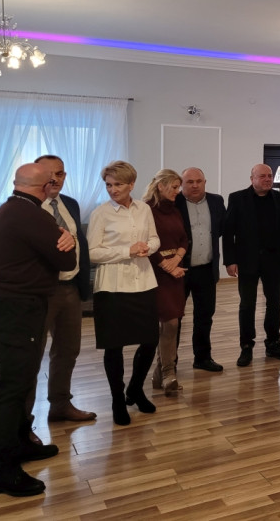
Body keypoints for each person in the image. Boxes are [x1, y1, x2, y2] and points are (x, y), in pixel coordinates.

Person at [0, 163, 77, 497]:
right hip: (18, 308)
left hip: (9, 305)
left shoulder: (9, 209)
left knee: (21, 380)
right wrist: (68, 240)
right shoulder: (33, 216)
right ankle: (4, 472)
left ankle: (22, 443)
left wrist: (63, 240)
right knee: (12, 388)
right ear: (46, 186)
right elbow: (67, 262)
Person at [24, 155, 96, 427]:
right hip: (40, 291)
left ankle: (60, 405)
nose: (55, 179)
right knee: (31, 356)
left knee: (67, 351)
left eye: (60, 173)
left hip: (70, 289)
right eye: (49, 173)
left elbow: (79, 243)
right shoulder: (28, 207)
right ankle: (24, 420)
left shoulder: (71, 204)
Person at [87, 161, 160, 426]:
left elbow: (155, 238)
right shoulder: (100, 213)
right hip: (112, 286)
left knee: (150, 340)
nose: (112, 189)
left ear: (131, 184)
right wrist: (127, 251)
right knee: (114, 346)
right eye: (108, 185)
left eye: (118, 184)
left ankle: (135, 389)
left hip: (143, 282)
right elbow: (92, 253)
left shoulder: (144, 209)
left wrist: (148, 248)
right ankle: (118, 399)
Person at [223, 164, 280, 367]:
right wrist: (230, 260)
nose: (267, 179)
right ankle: (246, 346)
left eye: (269, 176)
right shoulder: (237, 198)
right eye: (262, 176)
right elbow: (228, 232)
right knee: (247, 304)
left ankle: (273, 343)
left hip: (273, 260)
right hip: (247, 260)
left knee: (275, 303)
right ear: (252, 178)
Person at [175, 167, 227, 373]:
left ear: (205, 182)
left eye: (199, 181)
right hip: (179, 270)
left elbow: (221, 229)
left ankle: (203, 358)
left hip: (206, 269)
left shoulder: (216, 201)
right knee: (174, 318)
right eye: (190, 182)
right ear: (181, 184)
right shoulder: (174, 202)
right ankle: (170, 362)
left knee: (205, 316)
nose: (195, 185)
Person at [144, 169, 189, 396]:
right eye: (174, 187)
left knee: (173, 323)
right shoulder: (146, 210)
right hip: (155, 272)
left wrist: (177, 260)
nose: (177, 191)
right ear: (160, 186)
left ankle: (160, 374)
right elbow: (145, 243)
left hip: (175, 273)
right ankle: (168, 372)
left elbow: (184, 238)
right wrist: (166, 265)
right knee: (168, 323)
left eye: (178, 187)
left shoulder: (175, 210)